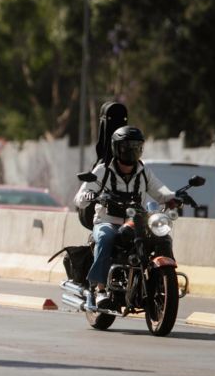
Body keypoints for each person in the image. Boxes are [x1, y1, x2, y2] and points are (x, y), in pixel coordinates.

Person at [73, 126, 178, 310]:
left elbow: (160, 190)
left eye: (136, 146)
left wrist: (173, 197)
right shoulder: (103, 170)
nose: (131, 151)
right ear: (116, 148)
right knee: (106, 238)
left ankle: (164, 283)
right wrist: (89, 196)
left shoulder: (144, 171)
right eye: (127, 146)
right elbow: (80, 198)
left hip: (137, 222)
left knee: (162, 235)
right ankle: (101, 289)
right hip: (107, 221)